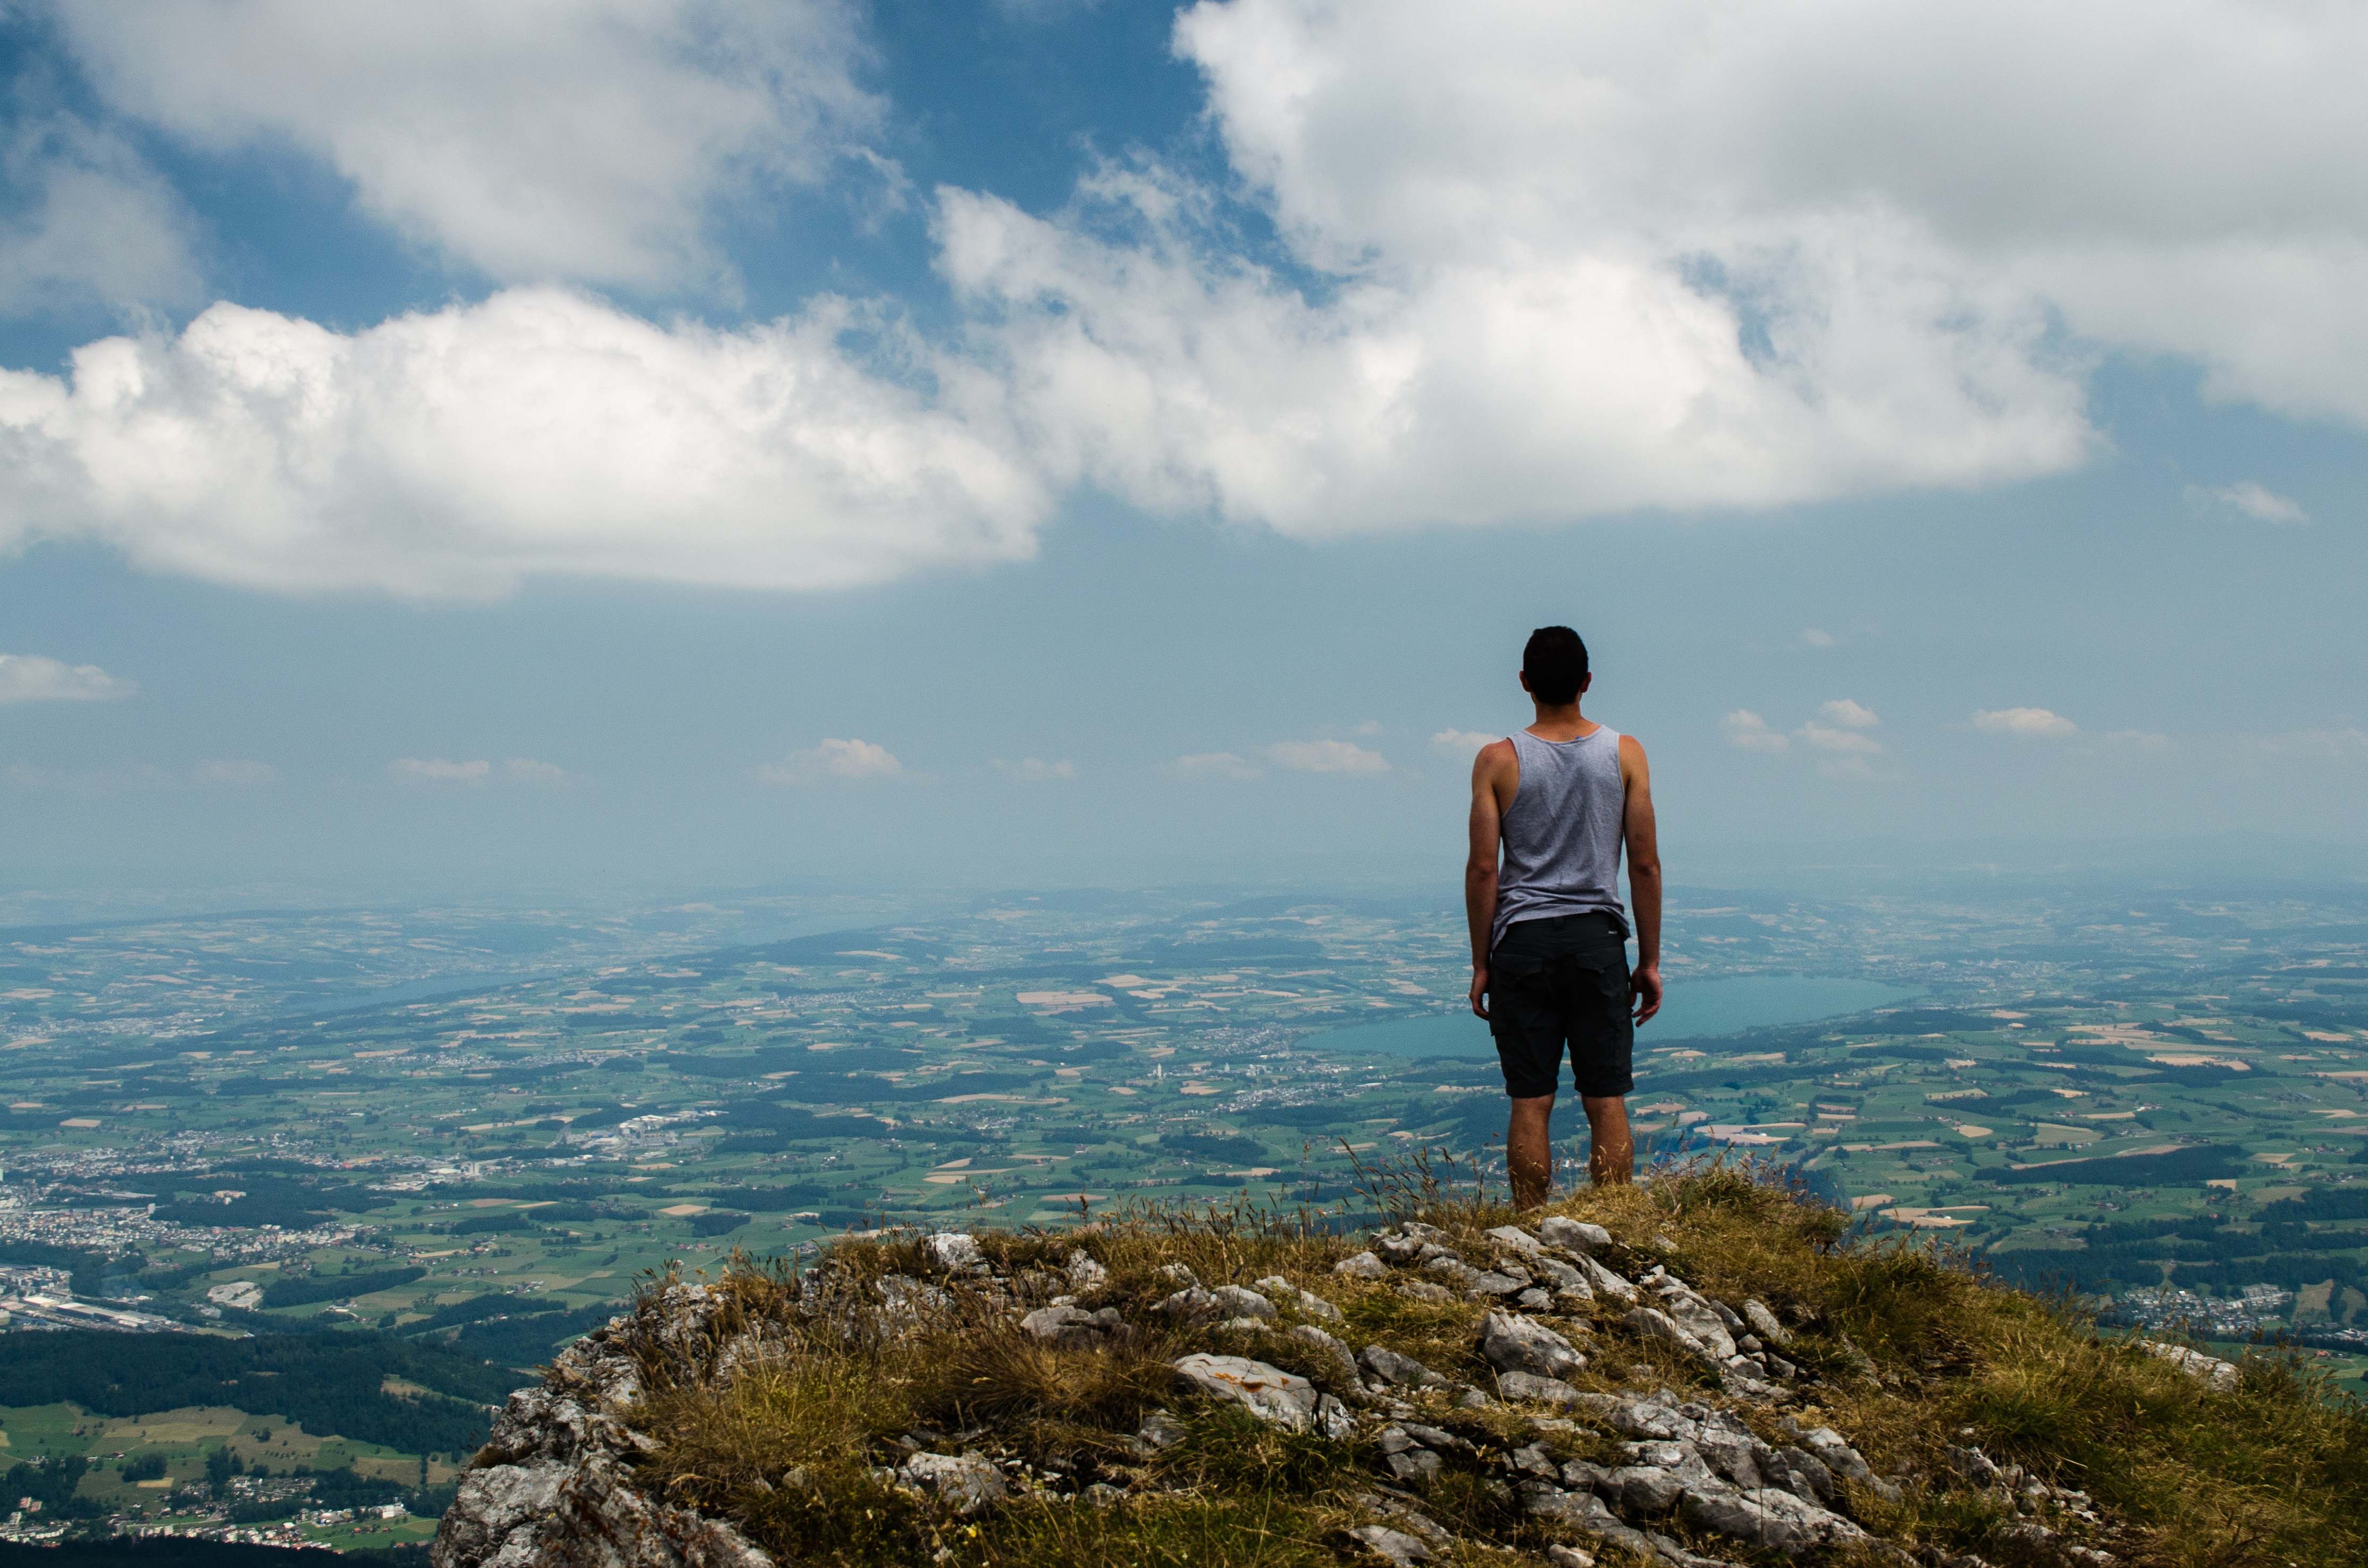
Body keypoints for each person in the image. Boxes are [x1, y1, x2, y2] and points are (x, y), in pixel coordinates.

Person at [1464, 625, 1661, 1205]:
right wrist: (1648, 959)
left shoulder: (1496, 760)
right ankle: (1611, 1223)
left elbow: (1482, 870)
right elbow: (1644, 864)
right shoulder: (1624, 753)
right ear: (1586, 682)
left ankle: (1530, 1228)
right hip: (1595, 940)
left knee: (1530, 1098)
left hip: (1521, 944)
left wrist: (1482, 962)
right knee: (1605, 1096)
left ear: (1524, 683)